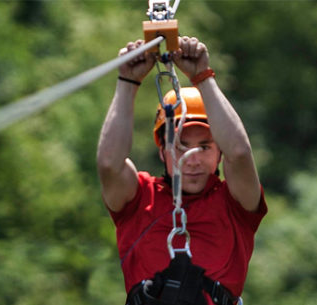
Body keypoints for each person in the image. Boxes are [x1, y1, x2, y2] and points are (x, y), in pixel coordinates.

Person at [97, 36, 267, 305]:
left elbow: (240, 153)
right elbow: (108, 163)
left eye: (204, 147)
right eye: (179, 146)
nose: (192, 158)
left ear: (219, 151)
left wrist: (203, 77)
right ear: (162, 150)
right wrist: (127, 82)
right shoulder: (141, 199)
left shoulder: (235, 204)